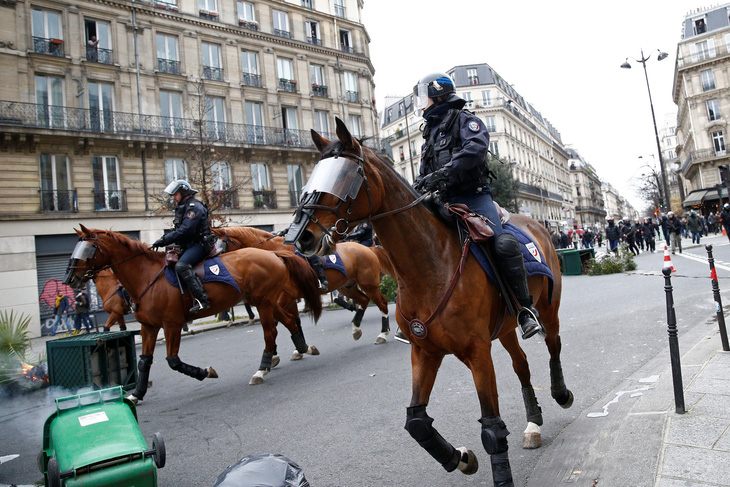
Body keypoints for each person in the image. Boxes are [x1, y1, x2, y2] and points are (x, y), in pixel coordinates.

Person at [411, 72, 540, 340]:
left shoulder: (465, 120)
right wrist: (420, 185)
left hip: (473, 196)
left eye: (424, 96)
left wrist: (443, 172)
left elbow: (475, 150)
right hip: (442, 199)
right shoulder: (430, 132)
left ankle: (525, 310)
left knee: (503, 244)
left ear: (438, 95)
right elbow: (424, 170)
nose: (421, 103)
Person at [152, 180, 215, 313]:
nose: (173, 198)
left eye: (175, 194)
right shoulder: (185, 206)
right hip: (188, 244)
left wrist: (163, 240)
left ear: (183, 192)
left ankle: (202, 300)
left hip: (200, 244)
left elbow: (185, 230)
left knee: (182, 265)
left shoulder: (194, 207)